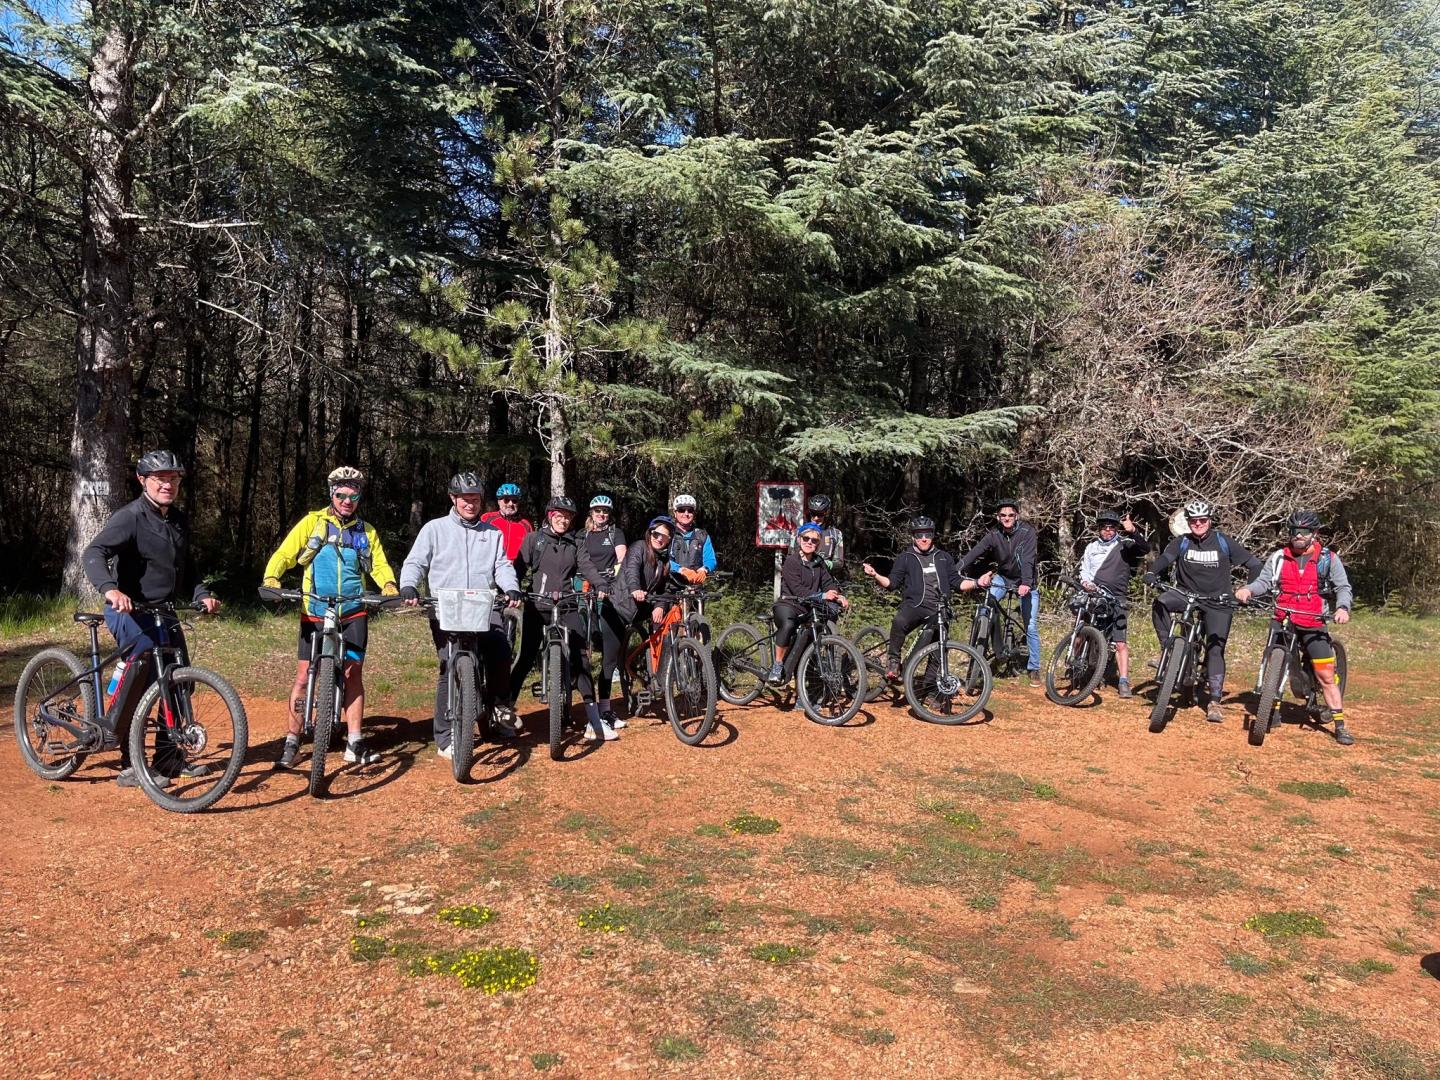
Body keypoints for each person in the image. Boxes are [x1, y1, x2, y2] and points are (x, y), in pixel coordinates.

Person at [82, 450, 220, 788]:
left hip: (163, 612)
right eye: (160, 478)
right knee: (143, 670)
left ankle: (169, 758)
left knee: (178, 680)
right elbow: (94, 552)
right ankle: (131, 762)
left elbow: (187, 570)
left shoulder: (179, 521)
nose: (167, 484)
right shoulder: (130, 517)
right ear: (143, 480)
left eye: (173, 479)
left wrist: (201, 594)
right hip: (128, 609)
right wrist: (111, 589)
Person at [263, 466, 399, 768]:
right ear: (331, 495)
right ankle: (292, 741)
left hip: (353, 610)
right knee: (301, 677)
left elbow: (378, 564)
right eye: (341, 494)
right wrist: (272, 577)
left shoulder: (366, 531)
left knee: (353, 674)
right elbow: (286, 553)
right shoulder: (312, 522)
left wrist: (388, 585)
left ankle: (355, 741)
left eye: (353, 495)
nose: (347, 500)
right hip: (314, 609)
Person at [399, 472, 521, 759]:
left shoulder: (492, 534)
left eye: (476, 499)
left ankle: (498, 707)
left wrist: (512, 588)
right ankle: (445, 735)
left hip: (482, 606)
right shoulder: (434, 529)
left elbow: (502, 566)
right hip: (446, 608)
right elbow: (416, 561)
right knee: (447, 667)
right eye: (466, 499)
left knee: (501, 650)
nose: (471, 504)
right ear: (453, 499)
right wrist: (408, 585)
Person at [1235, 510, 1355, 744]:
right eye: (1294, 531)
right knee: (1277, 666)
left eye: (1304, 531)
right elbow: (1264, 582)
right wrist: (1248, 590)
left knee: (1325, 675)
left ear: (1314, 533)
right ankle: (1273, 710)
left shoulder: (1328, 559)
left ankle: (1340, 725)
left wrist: (1342, 608)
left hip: (1314, 622)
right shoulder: (1279, 557)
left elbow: (1343, 587)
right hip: (1283, 617)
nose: (1298, 536)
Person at [1143, 499, 1262, 724]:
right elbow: (1165, 559)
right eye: (1194, 521)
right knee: (1160, 603)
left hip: (1218, 600)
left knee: (1215, 649)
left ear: (1209, 520)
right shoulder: (1182, 542)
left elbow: (1254, 564)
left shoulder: (1222, 541)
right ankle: (1168, 650)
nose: (1198, 524)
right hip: (1187, 595)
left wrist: (1248, 589)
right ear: (1188, 522)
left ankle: (1215, 701)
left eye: (1202, 520)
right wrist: (1152, 573)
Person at [506, 496, 610, 741]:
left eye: (568, 517)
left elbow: (587, 566)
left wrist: (601, 583)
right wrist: (511, 589)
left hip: (566, 605)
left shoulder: (575, 543)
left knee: (580, 658)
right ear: (550, 516)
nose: (564, 520)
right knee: (526, 655)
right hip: (537, 604)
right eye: (559, 516)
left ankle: (594, 720)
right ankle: (505, 709)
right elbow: (518, 568)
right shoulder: (535, 540)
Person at [863, 516, 961, 681]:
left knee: (939, 649)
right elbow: (892, 583)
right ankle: (893, 659)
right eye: (919, 535)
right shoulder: (906, 557)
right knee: (899, 622)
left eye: (927, 534)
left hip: (939, 608)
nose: (924, 539)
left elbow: (957, 582)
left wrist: (978, 582)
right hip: (915, 605)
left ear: (933, 535)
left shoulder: (943, 557)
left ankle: (930, 691)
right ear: (913, 537)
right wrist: (875, 575)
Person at [958, 499, 1042, 686]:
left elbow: (1028, 559)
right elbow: (975, 553)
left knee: (1030, 626)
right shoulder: (994, 534)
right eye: (1003, 515)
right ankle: (979, 657)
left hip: (1026, 582)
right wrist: (955, 571)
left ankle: (1034, 667)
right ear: (998, 517)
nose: (1007, 518)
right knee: (984, 609)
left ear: (1016, 516)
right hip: (1003, 578)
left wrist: (1027, 583)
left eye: (1011, 515)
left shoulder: (1027, 532)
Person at [1076, 509, 1149, 698]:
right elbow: (1084, 569)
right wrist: (1085, 582)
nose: (1108, 531)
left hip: (1117, 598)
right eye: (1104, 527)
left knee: (1120, 642)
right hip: (1093, 595)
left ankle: (1123, 681)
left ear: (1117, 529)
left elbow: (1144, 549)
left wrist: (1132, 530)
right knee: (1080, 633)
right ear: (1099, 529)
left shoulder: (1124, 545)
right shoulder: (1091, 547)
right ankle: (1078, 668)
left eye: (1112, 528)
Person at [769, 523, 851, 681]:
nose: (809, 542)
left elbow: (828, 582)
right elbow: (798, 590)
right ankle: (777, 665)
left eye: (814, 540)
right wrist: (822, 596)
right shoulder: (791, 561)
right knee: (788, 625)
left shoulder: (819, 562)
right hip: (788, 604)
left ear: (818, 544)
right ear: (799, 540)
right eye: (806, 538)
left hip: (807, 607)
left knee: (808, 643)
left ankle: (803, 694)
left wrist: (837, 595)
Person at [583, 495, 629, 729]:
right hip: (585, 593)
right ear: (591, 513)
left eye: (606, 511)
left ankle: (605, 709)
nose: (602, 515)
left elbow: (622, 558)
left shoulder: (615, 533)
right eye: (598, 511)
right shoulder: (583, 535)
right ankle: (578, 707)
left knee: (609, 654)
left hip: (609, 593)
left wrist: (614, 579)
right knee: (582, 652)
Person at [617, 515, 681, 678]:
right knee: (611, 658)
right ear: (650, 533)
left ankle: (659, 674)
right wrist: (635, 588)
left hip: (646, 603)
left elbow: (666, 587)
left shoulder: (665, 559)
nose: (660, 539)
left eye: (665, 536)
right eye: (656, 534)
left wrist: (660, 605)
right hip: (623, 603)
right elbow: (632, 569)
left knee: (665, 626)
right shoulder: (639, 547)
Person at [787, 494, 845, 571]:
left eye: (820, 514)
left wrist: (823, 564)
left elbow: (839, 563)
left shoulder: (835, 534)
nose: (816, 518)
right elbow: (789, 557)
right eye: (813, 514)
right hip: (801, 576)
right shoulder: (797, 532)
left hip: (824, 577)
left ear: (826, 513)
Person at [668, 494, 716, 583]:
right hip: (672, 585)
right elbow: (661, 559)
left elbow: (710, 559)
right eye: (681, 510)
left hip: (696, 585)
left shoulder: (702, 535)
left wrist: (705, 569)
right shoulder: (668, 534)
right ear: (675, 513)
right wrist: (680, 570)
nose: (686, 514)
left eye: (690, 510)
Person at [481, 482, 534, 563]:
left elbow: (532, 550)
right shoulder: (487, 519)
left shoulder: (526, 525)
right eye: (506, 500)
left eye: (514, 500)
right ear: (499, 501)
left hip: (516, 571)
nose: (510, 504)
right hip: (490, 567)